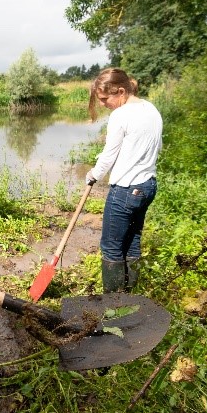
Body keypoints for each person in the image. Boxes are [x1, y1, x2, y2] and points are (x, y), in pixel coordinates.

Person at [85, 68, 162, 293]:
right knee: (132, 242)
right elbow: (153, 146)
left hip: (125, 189)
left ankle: (113, 304)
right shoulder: (150, 108)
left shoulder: (121, 115)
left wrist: (93, 175)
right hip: (147, 186)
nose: (103, 104)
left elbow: (109, 155)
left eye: (105, 99)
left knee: (111, 247)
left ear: (120, 91)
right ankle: (130, 295)